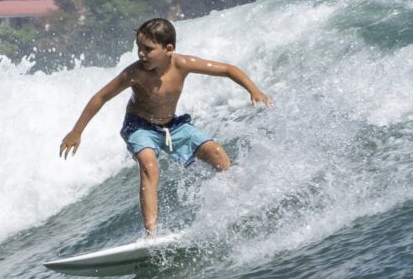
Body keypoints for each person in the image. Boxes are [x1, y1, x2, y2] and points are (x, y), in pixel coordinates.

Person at [59, 18, 272, 235]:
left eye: (148, 49)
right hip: (139, 127)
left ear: (168, 49)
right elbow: (100, 97)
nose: (141, 54)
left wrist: (254, 90)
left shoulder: (183, 64)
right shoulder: (135, 73)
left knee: (216, 152)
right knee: (149, 166)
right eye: (139, 48)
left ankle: (243, 198)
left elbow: (227, 69)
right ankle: (151, 233)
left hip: (173, 126)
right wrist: (77, 131)